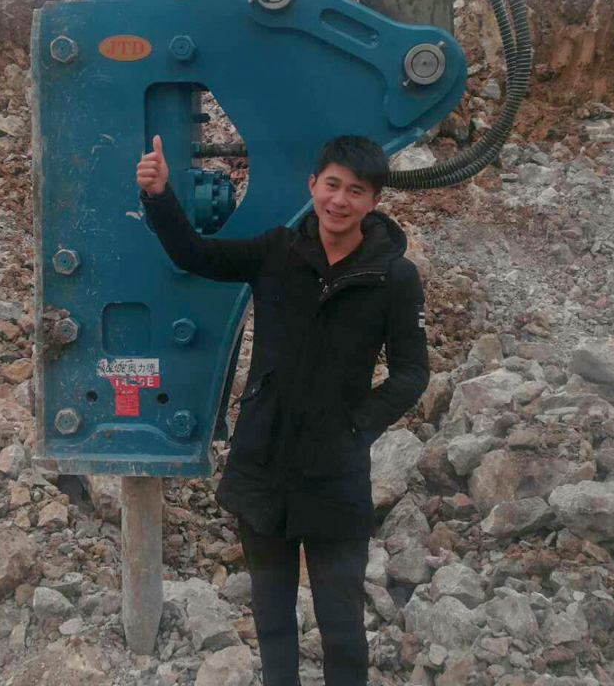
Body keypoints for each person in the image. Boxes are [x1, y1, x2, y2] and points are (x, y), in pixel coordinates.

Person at [137, 134, 430, 686]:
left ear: (374, 201)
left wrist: (357, 428)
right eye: (332, 185)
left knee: (340, 621)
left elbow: (412, 372)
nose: (339, 200)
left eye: (356, 190)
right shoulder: (277, 251)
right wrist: (160, 196)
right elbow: (195, 254)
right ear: (313, 185)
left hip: (335, 473)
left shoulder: (394, 277)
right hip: (263, 462)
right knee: (271, 617)